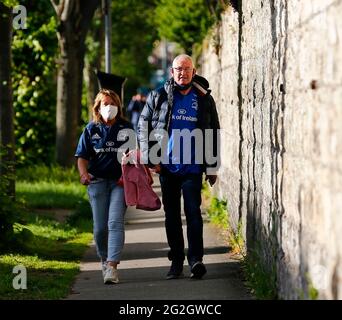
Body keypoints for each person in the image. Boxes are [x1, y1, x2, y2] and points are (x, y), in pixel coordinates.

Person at [137, 54, 220, 280]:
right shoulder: (158, 96)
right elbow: (142, 127)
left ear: (194, 72)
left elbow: (213, 132)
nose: (182, 73)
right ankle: (176, 261)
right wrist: (150, 157)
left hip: (192, 168)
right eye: (177, 69)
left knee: (193, 213)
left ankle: (196, 260)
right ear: (171, 72)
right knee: (171, 215)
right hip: (167, 168)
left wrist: (212, 167)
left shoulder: (203, 98)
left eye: (186, 69)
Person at [75, 88, 134, 284]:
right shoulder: (91, 129)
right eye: (105, 104)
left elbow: (136, 154)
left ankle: (111, 266)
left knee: (115, 223)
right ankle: (103, 258)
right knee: (100, 229)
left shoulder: (126, 128)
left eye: (113, 104)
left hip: (120, 183)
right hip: (97, 182)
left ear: (119, 106)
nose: (110, 107)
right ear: (98, 108)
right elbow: (82, 157)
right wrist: (84, 175)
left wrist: (132, 161)